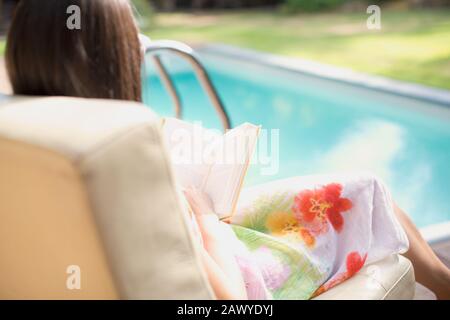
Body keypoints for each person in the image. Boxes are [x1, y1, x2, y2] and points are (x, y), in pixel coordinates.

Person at [5, 0, 450, 300]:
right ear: (113, 61)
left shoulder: (31, 145)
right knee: (364, 190)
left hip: (200, 250)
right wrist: (201, 214)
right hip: (238, 275)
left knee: (355, 187)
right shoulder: (131, 181)